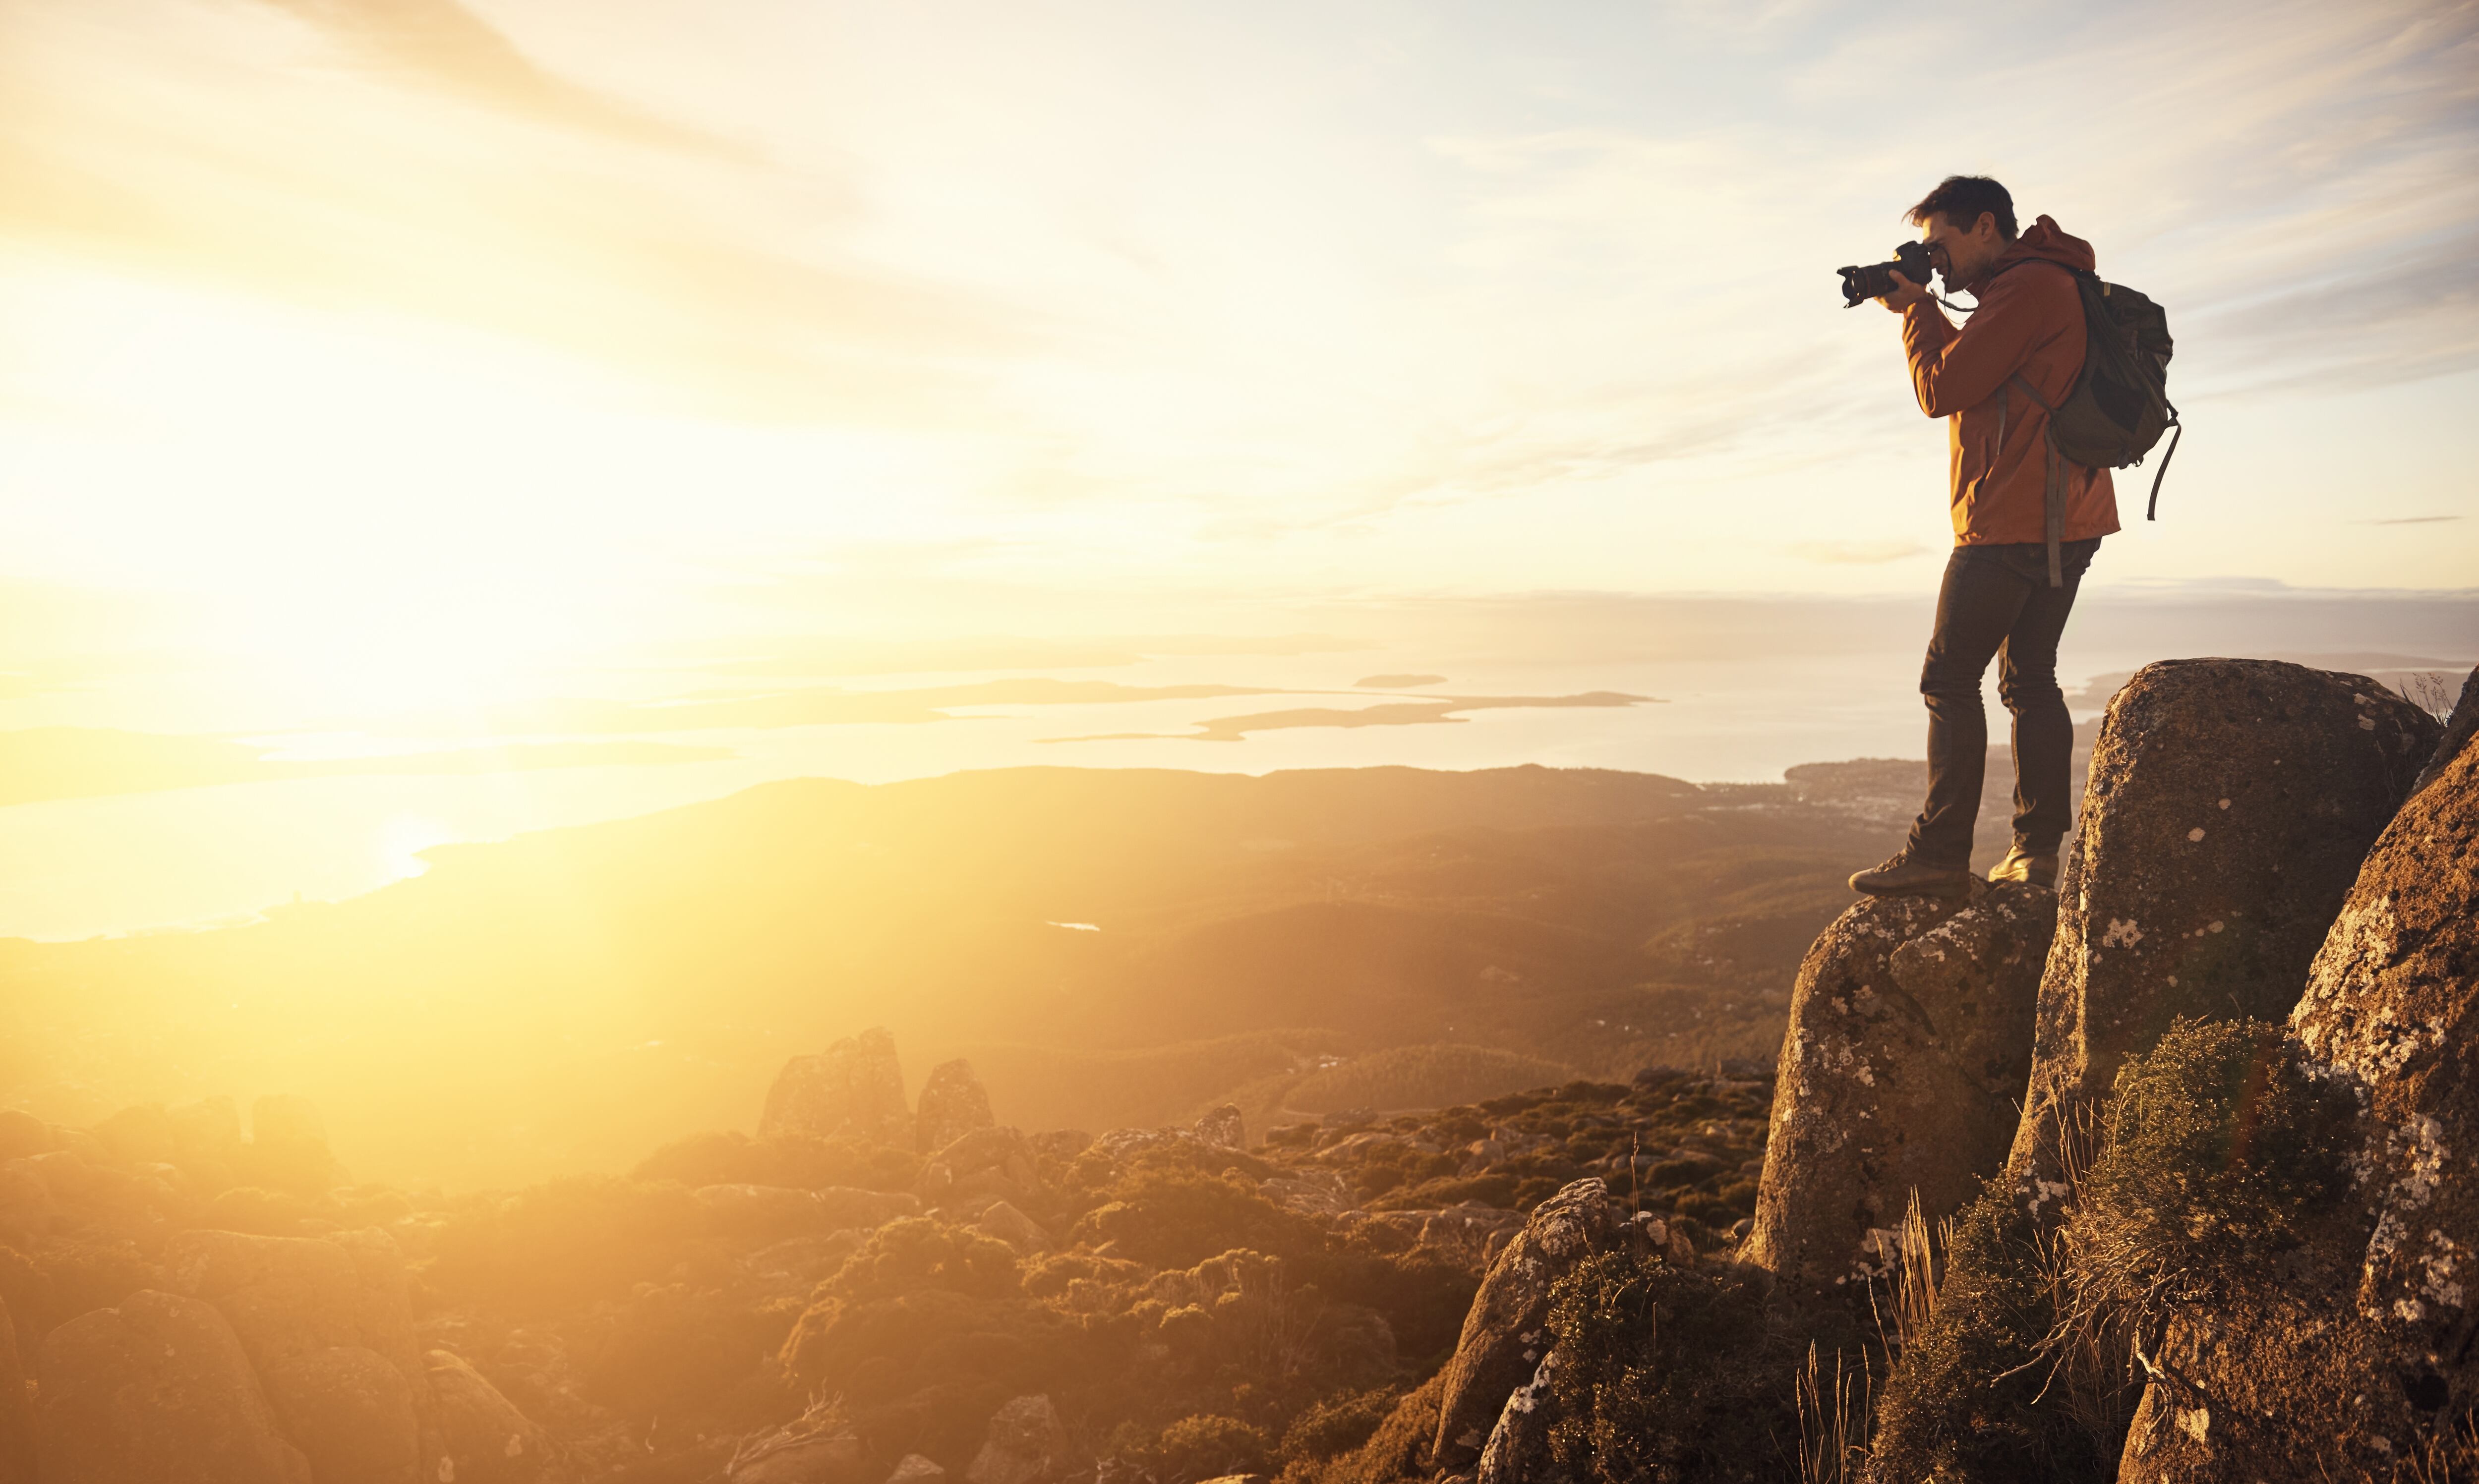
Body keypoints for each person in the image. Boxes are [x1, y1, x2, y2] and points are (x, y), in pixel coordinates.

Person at [1848, 175, 2120, 898]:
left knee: (1948, 678)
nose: (1938, 260)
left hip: (2011, 521)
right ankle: (2033, 851)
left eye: (1944, 244)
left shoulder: (2025, 288)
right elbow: (1983, 372)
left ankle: (1937, 854)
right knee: (2030, 679)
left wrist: (1914, 314)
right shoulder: (2046, 280)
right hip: (2067, 517)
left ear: (1988, 226)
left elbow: (1942, 389)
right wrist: (1927, 303)